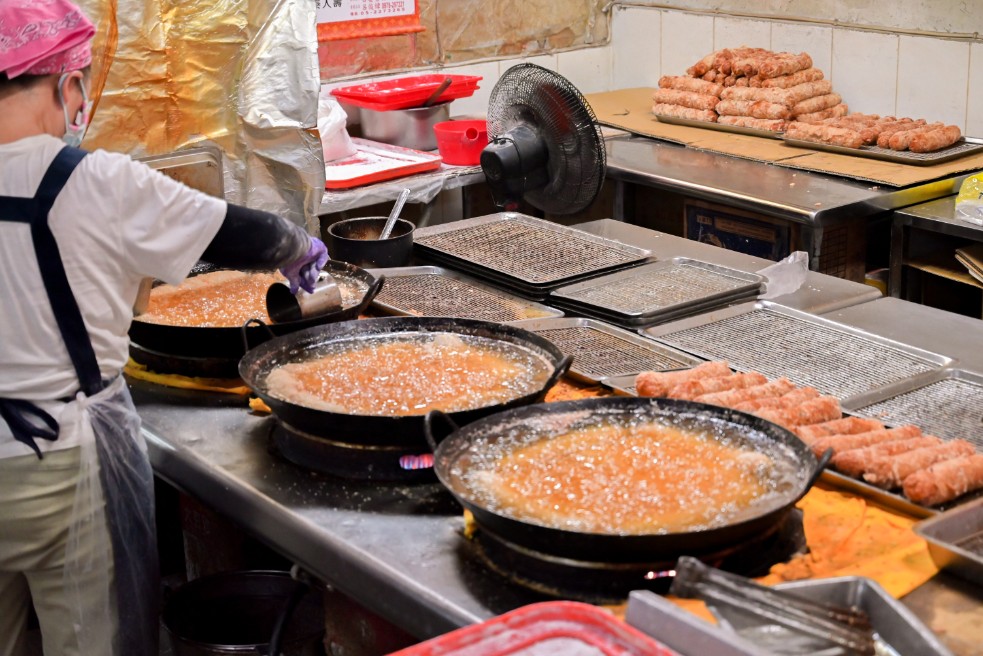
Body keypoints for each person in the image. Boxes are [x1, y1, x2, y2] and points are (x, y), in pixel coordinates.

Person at [0, 2, 329, 654]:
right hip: (63, 459)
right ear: (65, 82)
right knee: (97, 637)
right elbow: (239, 231)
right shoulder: (93, 181)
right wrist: (297, 246)